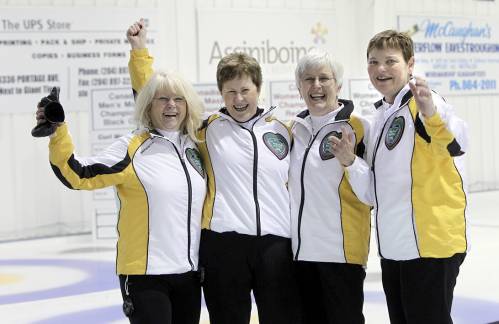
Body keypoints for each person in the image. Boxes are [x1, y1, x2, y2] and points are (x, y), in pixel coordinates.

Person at [127, 19, 301, 324]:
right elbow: (154, 99)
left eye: (245, 90)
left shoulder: (284, 131)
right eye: (230, 91)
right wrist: (139, 52)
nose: (238, 99)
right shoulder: (205, 129)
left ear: (258, 88)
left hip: (275, 245)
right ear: (221, 93)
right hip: (224, 246)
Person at [35, 69, 207, 324]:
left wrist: (139, 51)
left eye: (178, 98)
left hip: (189, 274)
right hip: (145, 275)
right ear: (148, 106)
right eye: (162, 99)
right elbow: (78, 174)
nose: (171, 105)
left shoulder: (195, 145)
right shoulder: (132, 148)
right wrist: (58, 132)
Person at [346, 29, 469, 324]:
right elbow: (373, 194)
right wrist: (350, 162)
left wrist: (430, 113)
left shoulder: (424, 103)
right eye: (374, 62)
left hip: (430, 246)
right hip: (394, 249)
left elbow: (458, 142)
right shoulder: (381, 117)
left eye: (390, 61)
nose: (381, 69)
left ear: (410, 64)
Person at [289, 49, 371, 324]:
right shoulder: (294, 131)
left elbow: (372, 195)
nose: (316, 86)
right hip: (301, 255)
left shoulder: (359, 128)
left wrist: (351, 162)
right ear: (300, 87)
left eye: (324, 78)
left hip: (341, 255)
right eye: (308, 79)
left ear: (338, 85)